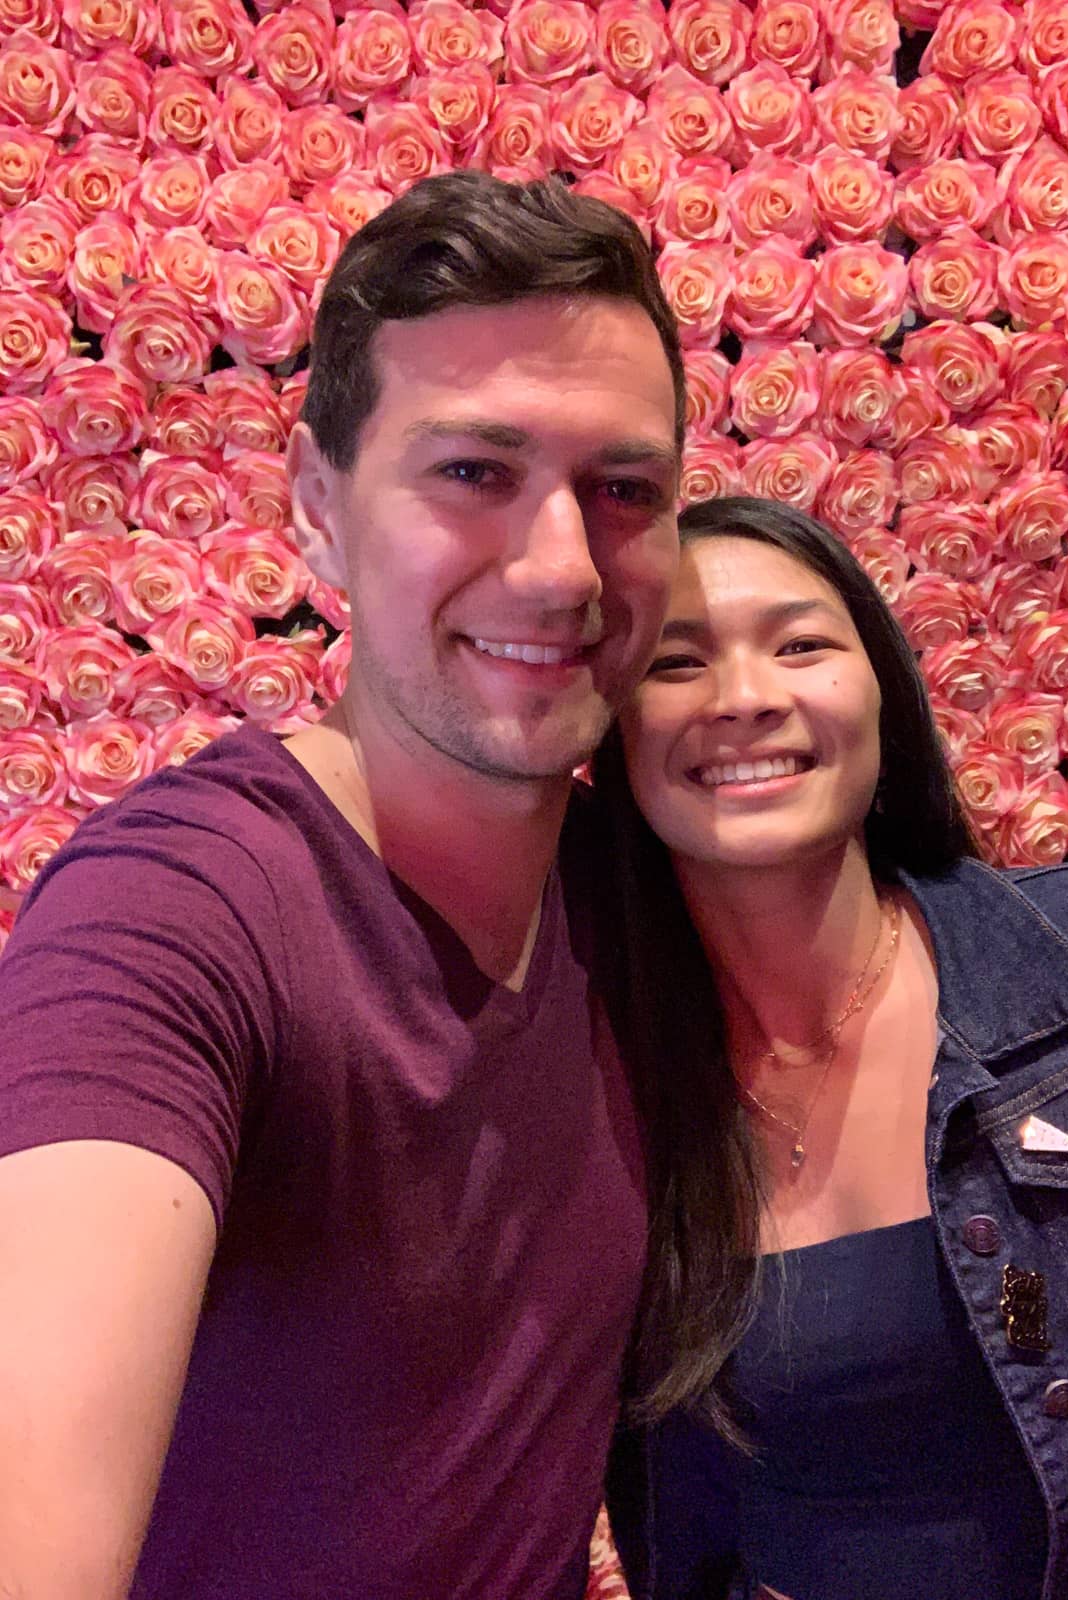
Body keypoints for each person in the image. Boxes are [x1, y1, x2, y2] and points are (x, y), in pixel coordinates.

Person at [0, 171, 684, 1599]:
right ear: (317, 509)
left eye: (623, 490)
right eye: (473, 473)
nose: (563, 568)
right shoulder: (181, 914)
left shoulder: (642, 892)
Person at [590, 496, 1068, 1600]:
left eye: (801, 644)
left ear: (882, 689)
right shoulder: (601, 1094)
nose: (744, 697)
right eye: (675, 663)